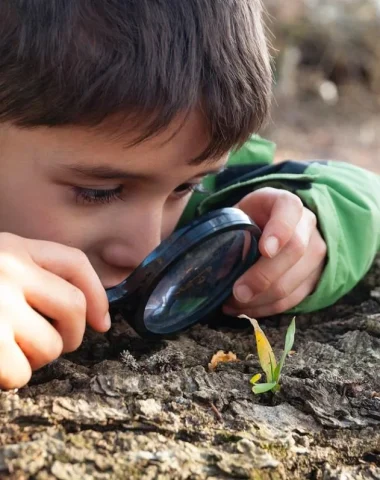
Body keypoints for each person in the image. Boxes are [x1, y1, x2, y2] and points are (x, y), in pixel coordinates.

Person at [0, 0, 379, 390]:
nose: (146, 246)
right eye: (100, 192)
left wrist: (311, 229)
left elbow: (359, 190)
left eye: (186, 187)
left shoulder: (177, 163)